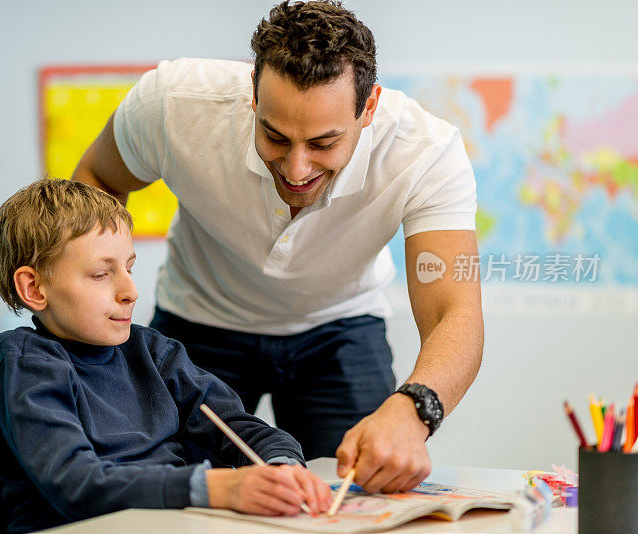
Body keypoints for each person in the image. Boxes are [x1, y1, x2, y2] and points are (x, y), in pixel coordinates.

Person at [73, 0, 483, 494]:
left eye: (324, 143)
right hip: (199, 323)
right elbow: (96, 179)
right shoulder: (172, 103)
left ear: (368, 107)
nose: (296, 168)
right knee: (173, 493)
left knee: (363, 495)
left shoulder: (426, 151)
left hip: (338, 329)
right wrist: (102, 292)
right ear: (253, 90)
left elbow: (453, 313)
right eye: (275, 136)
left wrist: (415, 408)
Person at [0, 179, 331, 533]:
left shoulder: (150, 350)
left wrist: (283, 467)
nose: (130, 291)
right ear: (33, 288)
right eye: (101, 274)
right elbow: (76, 484)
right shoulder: (24, 359)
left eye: (128, 268)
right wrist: (217, 487)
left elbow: (241, 428)